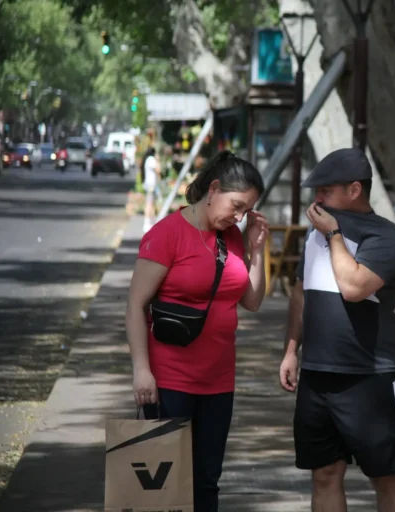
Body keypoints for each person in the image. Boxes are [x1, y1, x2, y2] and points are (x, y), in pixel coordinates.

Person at [125, 150, 269, 512]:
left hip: (219, 380)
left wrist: (256, 250)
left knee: (207, 480)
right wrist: (142, 370)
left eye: (245, 211)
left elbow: (251, 301)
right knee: (164, 487)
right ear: (214, 188)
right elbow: (135, 305)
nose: (238, 217)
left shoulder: (232, 237)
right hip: (171, 379)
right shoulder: (167, 235)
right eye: (235, 206)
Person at [278, 148, 395, 512]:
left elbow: (354, 288)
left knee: (385, 478)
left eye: (325, 190)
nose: (317, 198)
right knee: (323, 473)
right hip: (317, 374)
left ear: (355, 190)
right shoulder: (316, 232)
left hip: (368, 376)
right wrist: (292, 350)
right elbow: (300, 291)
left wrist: (335, 235)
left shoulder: (386, 237)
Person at [142, 147, 161, 233]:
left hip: (149, 185)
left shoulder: (148, 160)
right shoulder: (151, 160)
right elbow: (158, 169)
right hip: (151, 185)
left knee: (151, 204)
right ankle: (147, 223)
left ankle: (151, 222)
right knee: (149, 204)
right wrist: (157, 160)